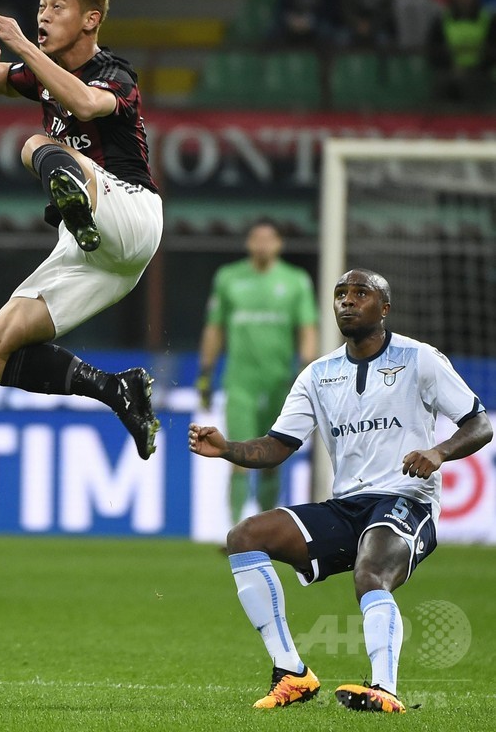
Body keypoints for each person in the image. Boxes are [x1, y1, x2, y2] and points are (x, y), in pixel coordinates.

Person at [189, 268, 493, 713]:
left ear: (384, 308)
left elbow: (479, 424)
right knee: (245, 537)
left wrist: (440, 451)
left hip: (407, 500)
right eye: (340, 294)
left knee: (371, 573)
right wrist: (227, 448)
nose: (347, 301)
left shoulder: (420, 359)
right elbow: (277, 446)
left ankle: (385, 689)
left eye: (360, 293)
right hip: (347, 506)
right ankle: (292, 672)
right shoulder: (318, 374)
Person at [0, 0, 163, 460]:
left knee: (37, 144)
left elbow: (85, 104)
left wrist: (20, 43)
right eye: (41, 6)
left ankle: (76, 208)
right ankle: (117, 390)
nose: (43, 15)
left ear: (91, 19)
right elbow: (2, 81)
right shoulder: (42, 72)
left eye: (58, 6)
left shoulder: (116, 75)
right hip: (97, 254)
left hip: (131, 213)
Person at [195, 219, 318, 522]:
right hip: (240, 383)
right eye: (256, 238)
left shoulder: (296, 281)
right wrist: (206, 372)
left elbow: (307, 329)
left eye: (268, 238)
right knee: (235, 454)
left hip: (280, 383)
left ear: (279, 244)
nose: (262, 244)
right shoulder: (228, 278)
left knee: (271, 458)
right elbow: (214, 328)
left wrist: (305, 369)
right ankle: (236, 529)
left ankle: (264, 529)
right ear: (248, 243)